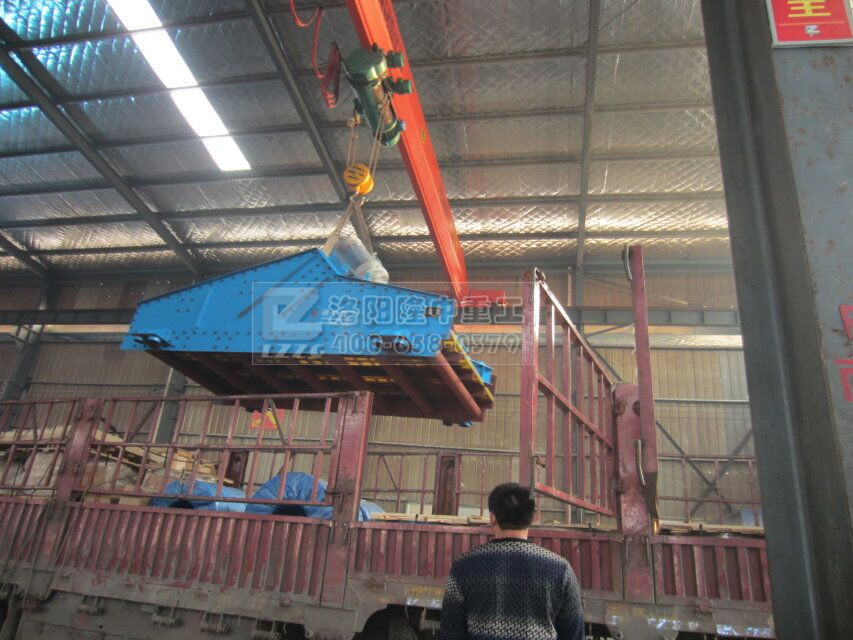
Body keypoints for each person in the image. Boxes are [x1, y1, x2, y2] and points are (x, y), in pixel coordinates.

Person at [439, 483, 584, 640]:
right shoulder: (560, 570)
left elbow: (450, 633)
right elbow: (574, 633)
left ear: (492, 518)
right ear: (532, 518)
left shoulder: (463, 568)